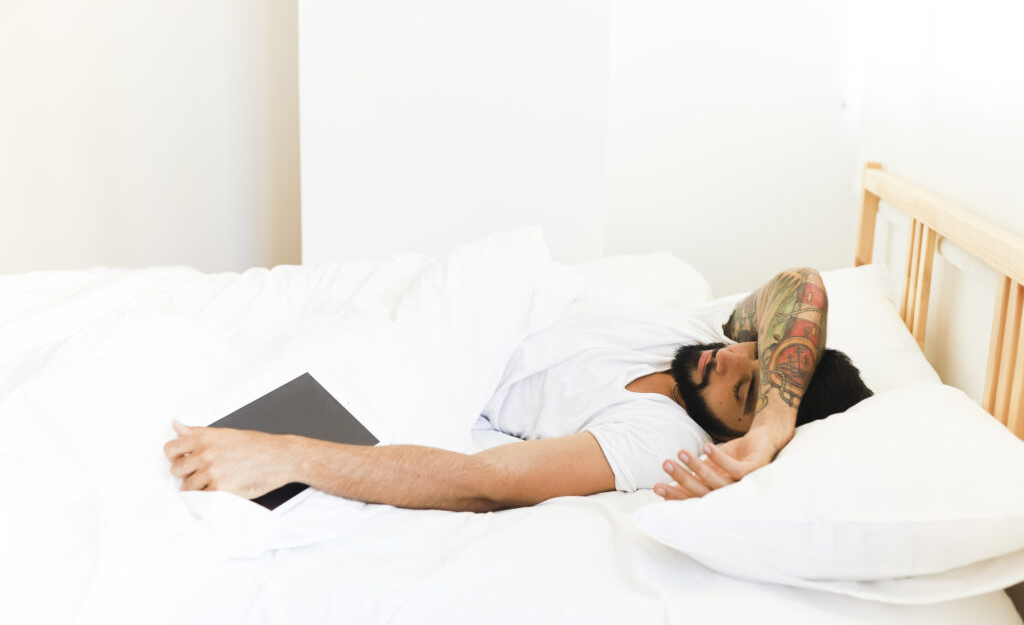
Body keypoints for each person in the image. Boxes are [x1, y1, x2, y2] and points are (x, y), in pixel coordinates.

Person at [165, 267, 871, 511]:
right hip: (470, 306)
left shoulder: (663, 439)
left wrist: (291, 454)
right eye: (751, 353)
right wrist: (773, 414)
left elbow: (488, 482)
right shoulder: (703, 330)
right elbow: (800, 284)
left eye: (745, 392)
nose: (726, 359)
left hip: (433, 368)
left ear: (731, 437)